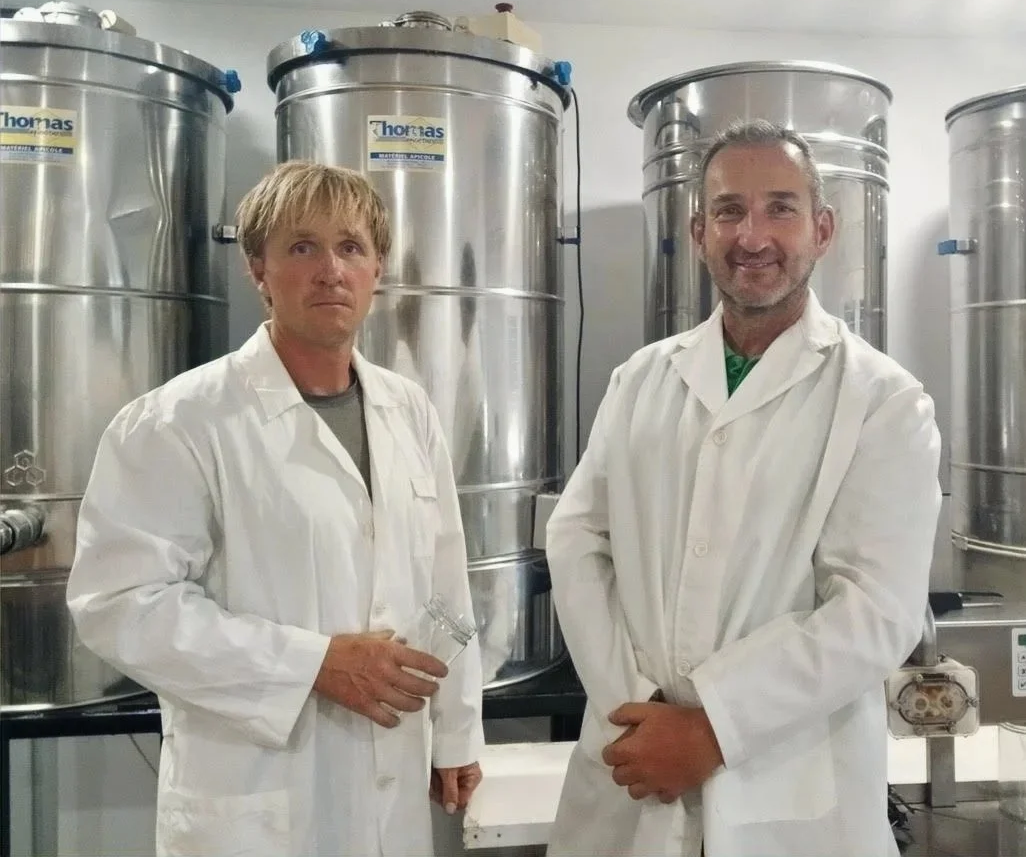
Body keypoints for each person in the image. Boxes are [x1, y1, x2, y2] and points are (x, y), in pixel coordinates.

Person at [545, 120, 941, 857]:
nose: (752, 234)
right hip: (633, 769)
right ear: (698, 231)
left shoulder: (884, 401)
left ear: (823, 229)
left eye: (780, 208)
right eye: (729, 211)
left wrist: (713, 727)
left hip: (790, 790)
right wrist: (633, 705)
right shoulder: (641, 381)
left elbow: (876, 613)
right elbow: (575, 538)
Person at [67, 161, 484, 857]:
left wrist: (458, 732)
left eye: (351, 247)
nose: (331, 270)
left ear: (377, 268)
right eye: (302, 247)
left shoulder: (407, 409)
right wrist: (311, 664)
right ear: (258, 269)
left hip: (392, 774)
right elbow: (119, 605)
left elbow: (448, 580)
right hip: (258, 799)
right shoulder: (178, 422)